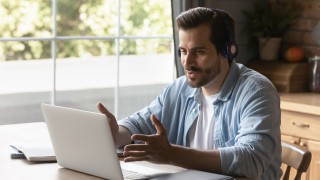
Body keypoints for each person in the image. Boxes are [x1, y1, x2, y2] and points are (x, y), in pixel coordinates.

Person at [97, 7, 281, 179]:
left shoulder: (257, 91)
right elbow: (138, 124)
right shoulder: (179, 89)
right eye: (183, 51)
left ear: (227, 51)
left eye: (199, 52)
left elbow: (251, 160)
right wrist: (115, 133)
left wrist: (172, 154)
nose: (187, 62)